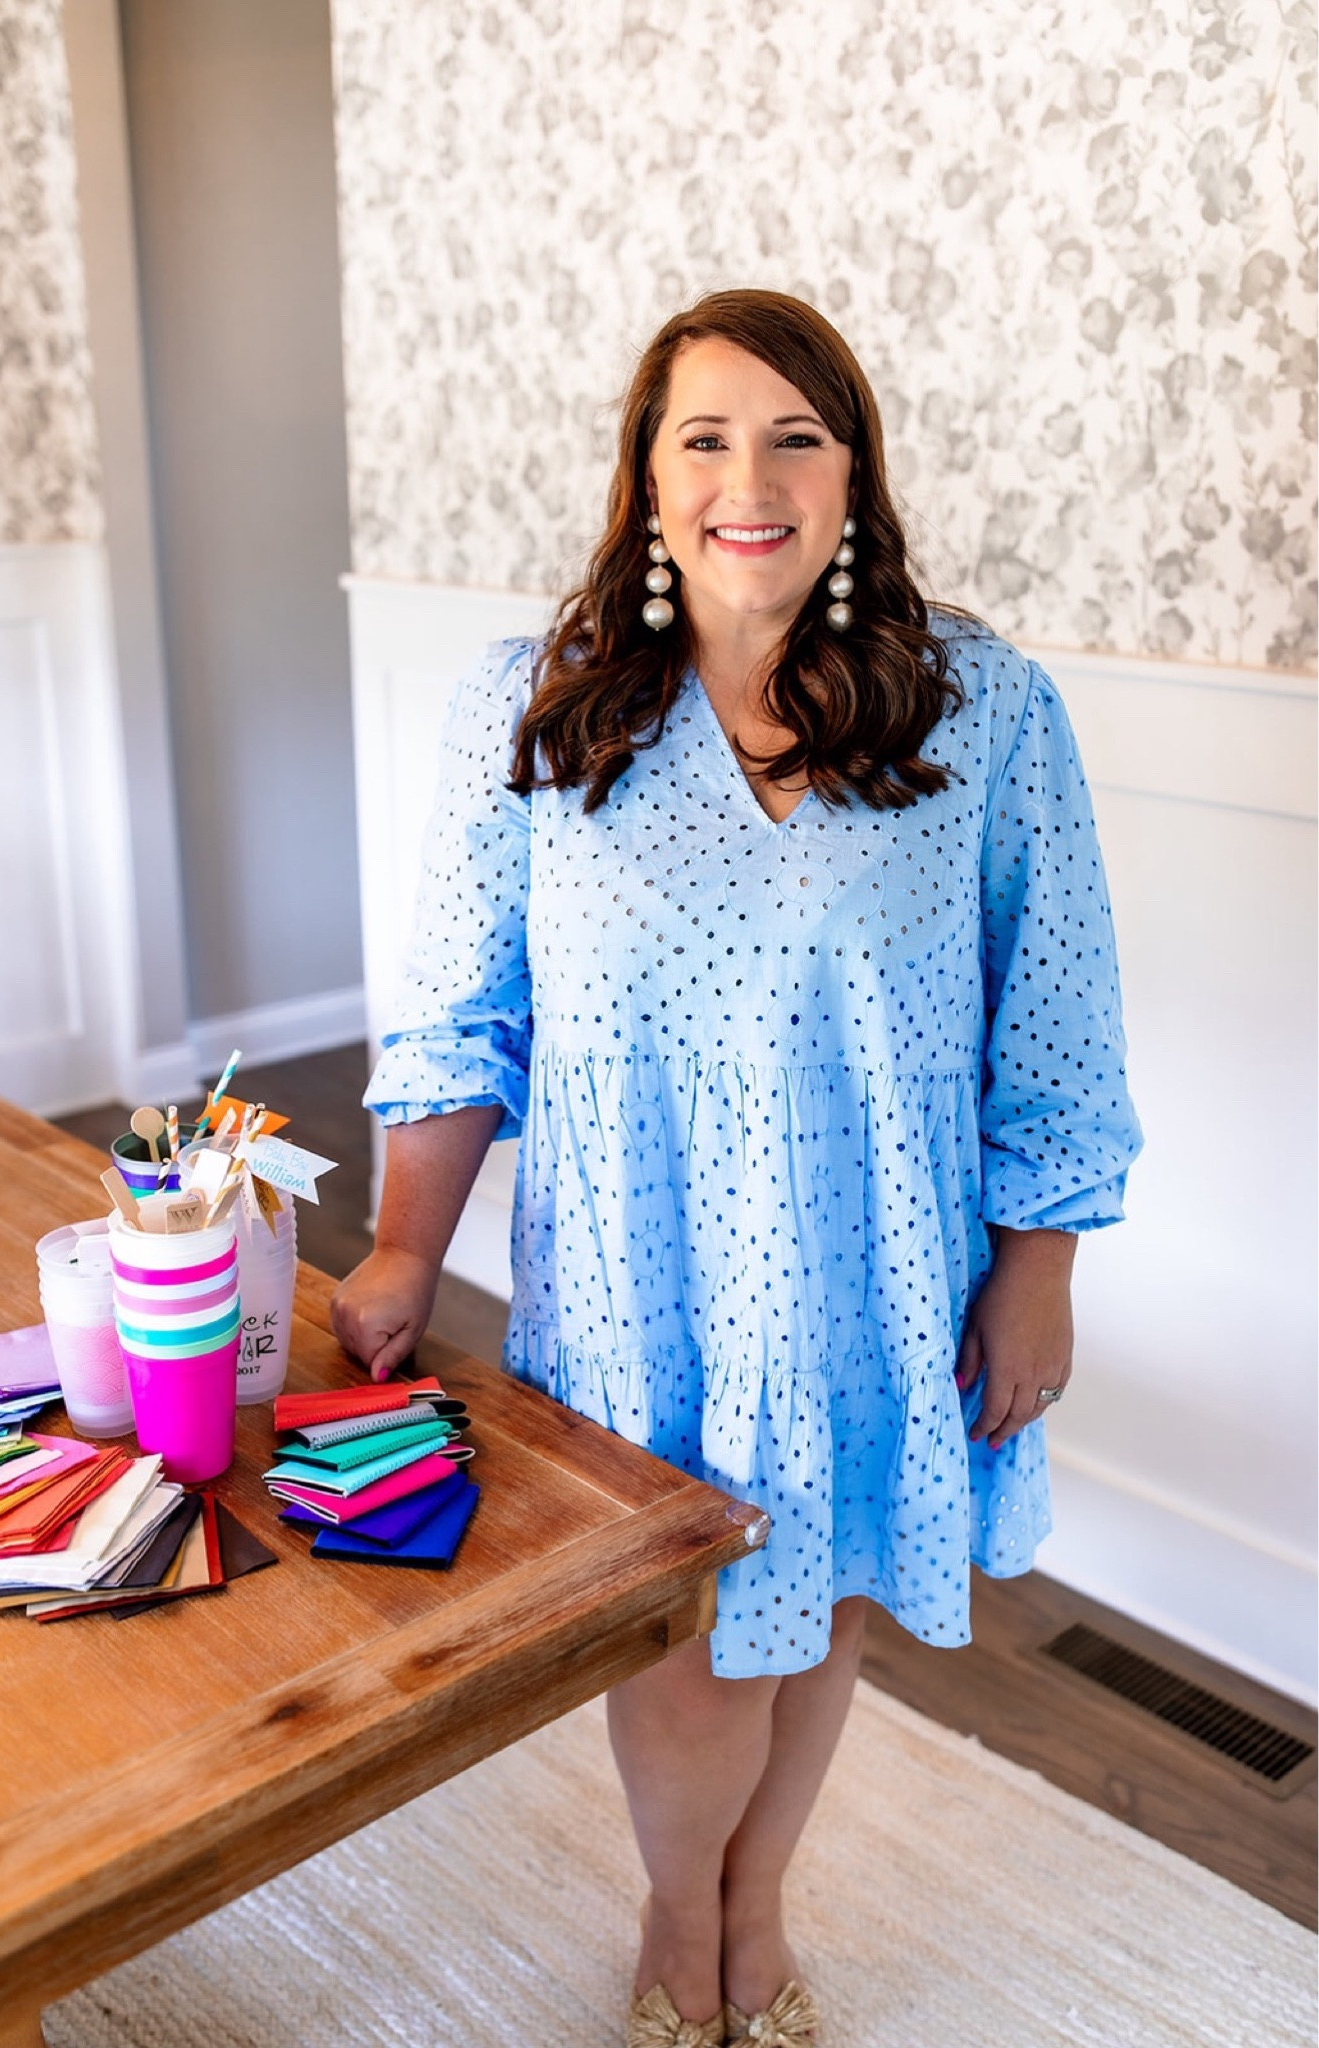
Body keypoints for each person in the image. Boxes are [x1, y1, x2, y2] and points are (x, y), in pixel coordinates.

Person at [331, 289, 1141, 2048]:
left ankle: (755, 1904)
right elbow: (464, 1016)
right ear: (644, 476)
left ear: (855, 473)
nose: (746, 479)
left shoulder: (984, 709)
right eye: (701, 438)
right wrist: (401, 1253)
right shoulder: (528, 711)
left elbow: (1057, 1021)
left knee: (825, 1587)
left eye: (795, 435)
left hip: (886, 1266)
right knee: (693, 1632)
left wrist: (1041, 1271)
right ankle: (672, 1903)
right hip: (640, 1276)